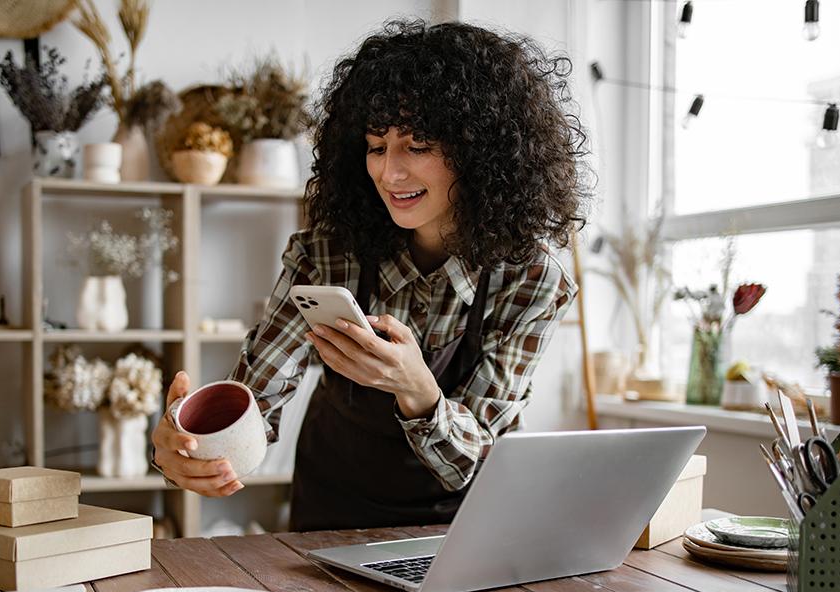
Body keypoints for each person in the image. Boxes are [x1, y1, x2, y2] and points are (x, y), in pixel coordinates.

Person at [152, 19, 589, 531]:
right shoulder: (328, 252)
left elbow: (471, 458)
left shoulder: (531, 279)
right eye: (377, 146)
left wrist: (417, 389)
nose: (389, 172)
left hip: (462, 525)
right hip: (330, 511)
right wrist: (187, 448)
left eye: (417, 145)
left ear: (481, 152)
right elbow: (259, 395)